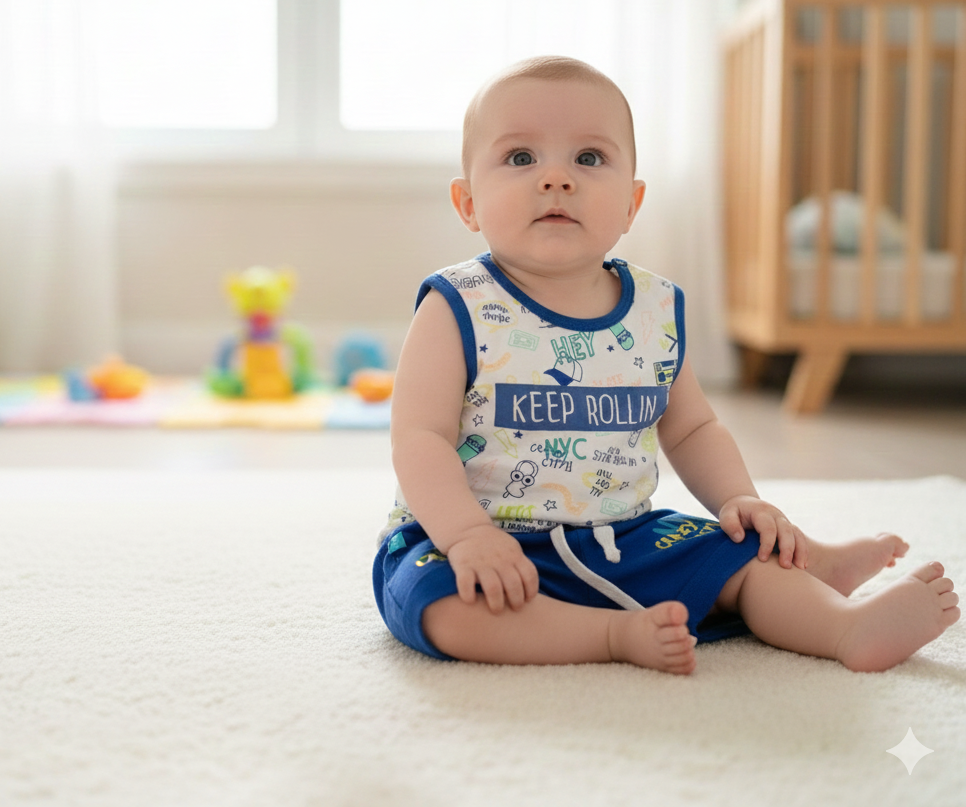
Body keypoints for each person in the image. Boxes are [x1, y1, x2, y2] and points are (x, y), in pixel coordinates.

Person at [372, 56, 959, 674]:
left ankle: (843, 626)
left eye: (589, 159)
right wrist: (466, 536)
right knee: (437, 603)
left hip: (622, 538)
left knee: (735, 555)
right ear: (468, 203)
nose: (556, 179)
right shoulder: (456, 305)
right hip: (478, 539)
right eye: (521, 158)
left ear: (632, 203)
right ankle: (609, 636)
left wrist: (739, 497)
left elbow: (692, 428)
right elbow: (419, 437)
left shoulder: (653, 309)